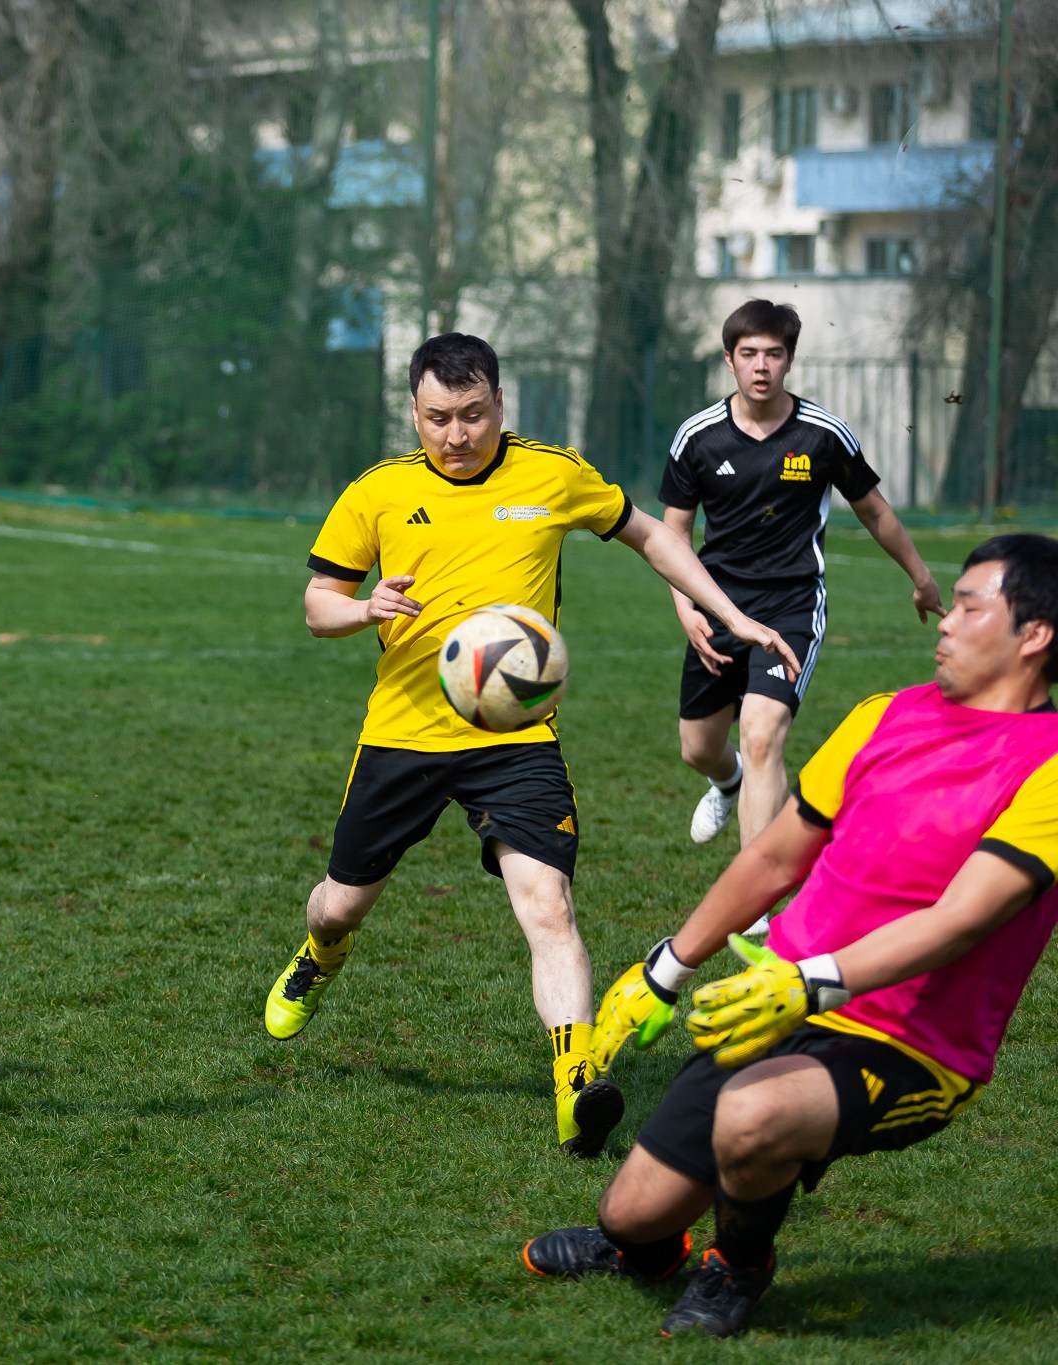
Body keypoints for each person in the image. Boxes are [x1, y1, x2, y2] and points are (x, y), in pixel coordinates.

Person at [260, 333, 801, 1157]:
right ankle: (319, 953)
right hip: (403, 734)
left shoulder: (553, 474)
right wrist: (364, 608)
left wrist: (727, 613)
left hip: (516, 738)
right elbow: (315, 604)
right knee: (340, 900)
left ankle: (576, 1078)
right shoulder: (378, 491)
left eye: (472, 414)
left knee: (548, 906)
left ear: (501, 404)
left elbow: (652, 535)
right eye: (438, 417)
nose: (455, 434)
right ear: (413, 412)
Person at [523, 536, 1058, 1338]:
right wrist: (666, 967)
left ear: (1035, 634)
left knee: (751, 1117)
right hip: (778, 1005)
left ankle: (738, 1265)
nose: (945, 620)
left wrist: (808, 982)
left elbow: (960, 920)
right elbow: (775, 855)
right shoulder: (888, 712)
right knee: (629, 1213)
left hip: (908, 1043)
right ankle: (645, 1248)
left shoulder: (1047, 761)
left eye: (973, 604)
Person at [662, 300, 940, 858]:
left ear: (789, 360)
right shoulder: (697, 437)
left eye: (773, 354)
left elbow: (876, 512)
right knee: (698, 748)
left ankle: (754, 902)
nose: (761, 366)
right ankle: (728, 782)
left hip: (790, 606)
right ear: (729, 360)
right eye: (749, 354)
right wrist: (686, 608)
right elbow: (674, 534)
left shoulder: (822, 434)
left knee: (761, 735)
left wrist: (922, 577)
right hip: (717, 606)